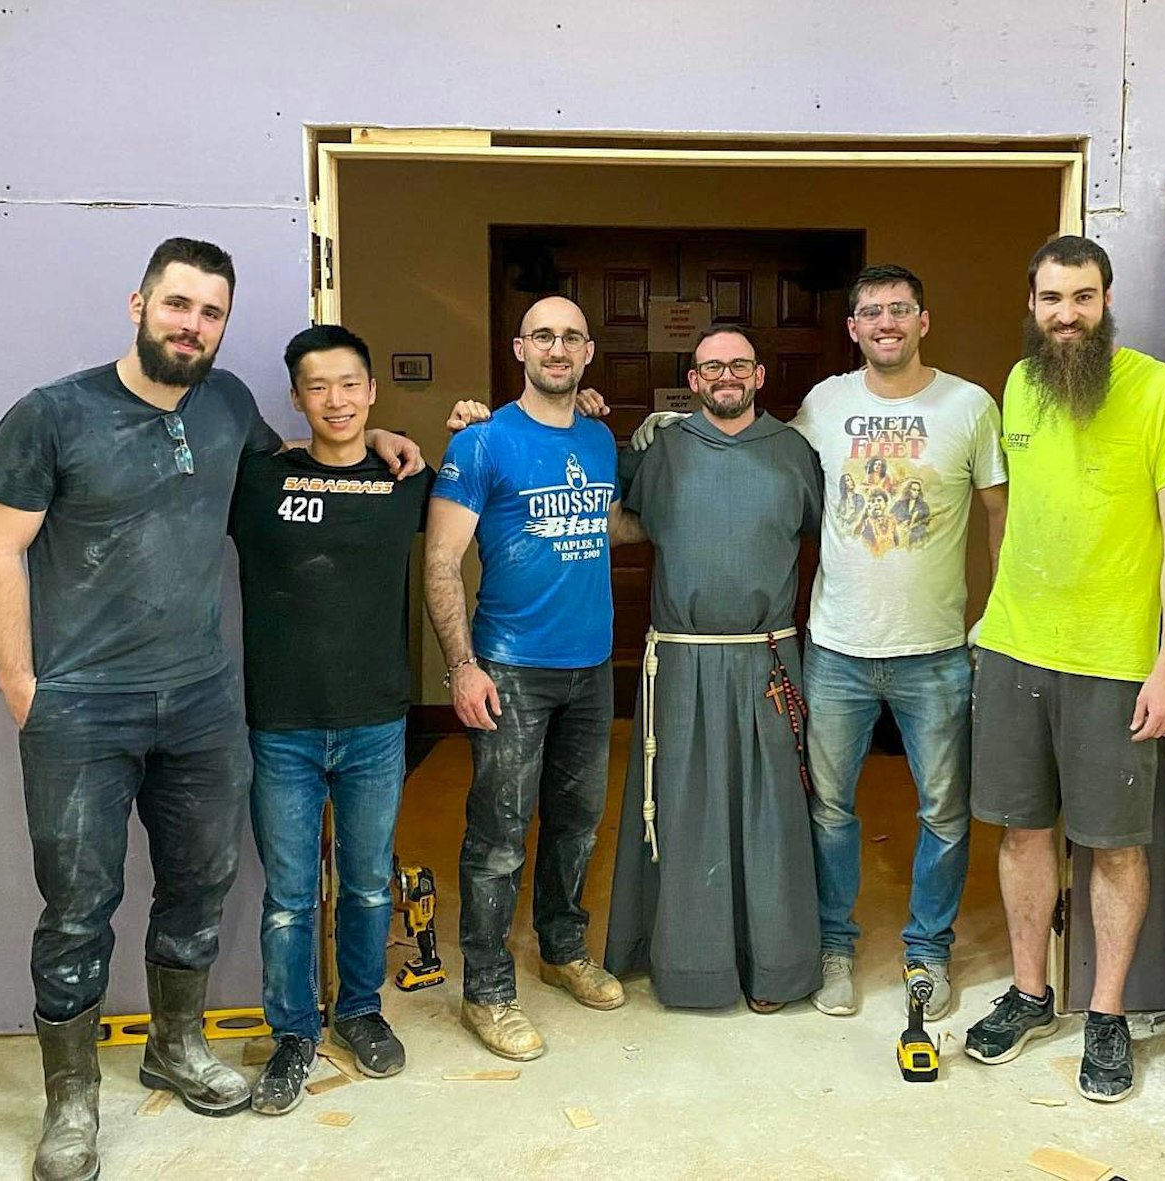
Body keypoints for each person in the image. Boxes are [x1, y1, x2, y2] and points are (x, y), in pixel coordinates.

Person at [0, 239, 419, 1180]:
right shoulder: (52, 414)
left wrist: (378, 444)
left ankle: (174, 1047)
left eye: (211, 313)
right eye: (178, 305)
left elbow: (297, 474)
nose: (193, 325)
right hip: (82, 707)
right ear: (138, 302)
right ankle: (72, 1103)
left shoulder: (226, 408)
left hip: (203, 706)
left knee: (198, 889)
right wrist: (22, 682)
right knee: (78, 906)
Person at [962, 235, 1165, 1103]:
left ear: (1107, 301)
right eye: (1050, 299)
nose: (1065, 315)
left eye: (1082, 297)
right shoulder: (1020, 384)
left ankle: (1104, 1013)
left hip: (1114, 661)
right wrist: (989, 630)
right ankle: (1033, 993)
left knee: (1114, 842)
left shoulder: (1161, 392)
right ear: (1029, 303)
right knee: (1021, 828)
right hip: (1015, 646)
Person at [425, 296, 640, 1062]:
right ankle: (487, 989)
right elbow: (443, 559)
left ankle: (561, 947)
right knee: (499, 837)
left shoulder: (599, 436)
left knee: (579, 821)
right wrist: (461, 665)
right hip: (510, 665)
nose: (557, 347)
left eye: (572, 337)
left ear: (588, 353)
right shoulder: (482, 442)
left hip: (591, 665)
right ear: (519, 347)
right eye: (543, 335)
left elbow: (611, 520)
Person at [228, 325, 435, 1114]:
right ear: (296, 397)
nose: (337, 401)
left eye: (351, 384)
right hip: (281, 723)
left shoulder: (405, 477)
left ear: (372, 390)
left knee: (368, 883)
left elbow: (485, 492)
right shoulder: (258, 482)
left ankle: (358, 1010)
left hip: (376, 722)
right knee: (288, 894)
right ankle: (292, 1032)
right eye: (319, 386)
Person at [793, 265, 1007, 1022]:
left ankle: (928, 950)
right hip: (837, 648)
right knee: (828, 807)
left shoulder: (970, 406)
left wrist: (997, 610)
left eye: (899, 309)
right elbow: (774, 480)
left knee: (946, 810)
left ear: (924, 319)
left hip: (937, 650)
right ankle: (834, 945)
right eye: (870, 312)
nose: (885, 322)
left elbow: (997, 511)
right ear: (852, 328)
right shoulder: (824, 403)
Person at [602, 326, 825, 1011]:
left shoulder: (796, 453)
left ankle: (775, 966)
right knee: (684, 808)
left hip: (768, 657)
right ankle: (683, 963)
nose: (724, 376)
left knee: (771, 815)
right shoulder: (659, 450)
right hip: (682, 661)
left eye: (737, 365)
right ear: (692, 381)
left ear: (758, 375)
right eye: (709, 367)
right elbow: (600, 508)